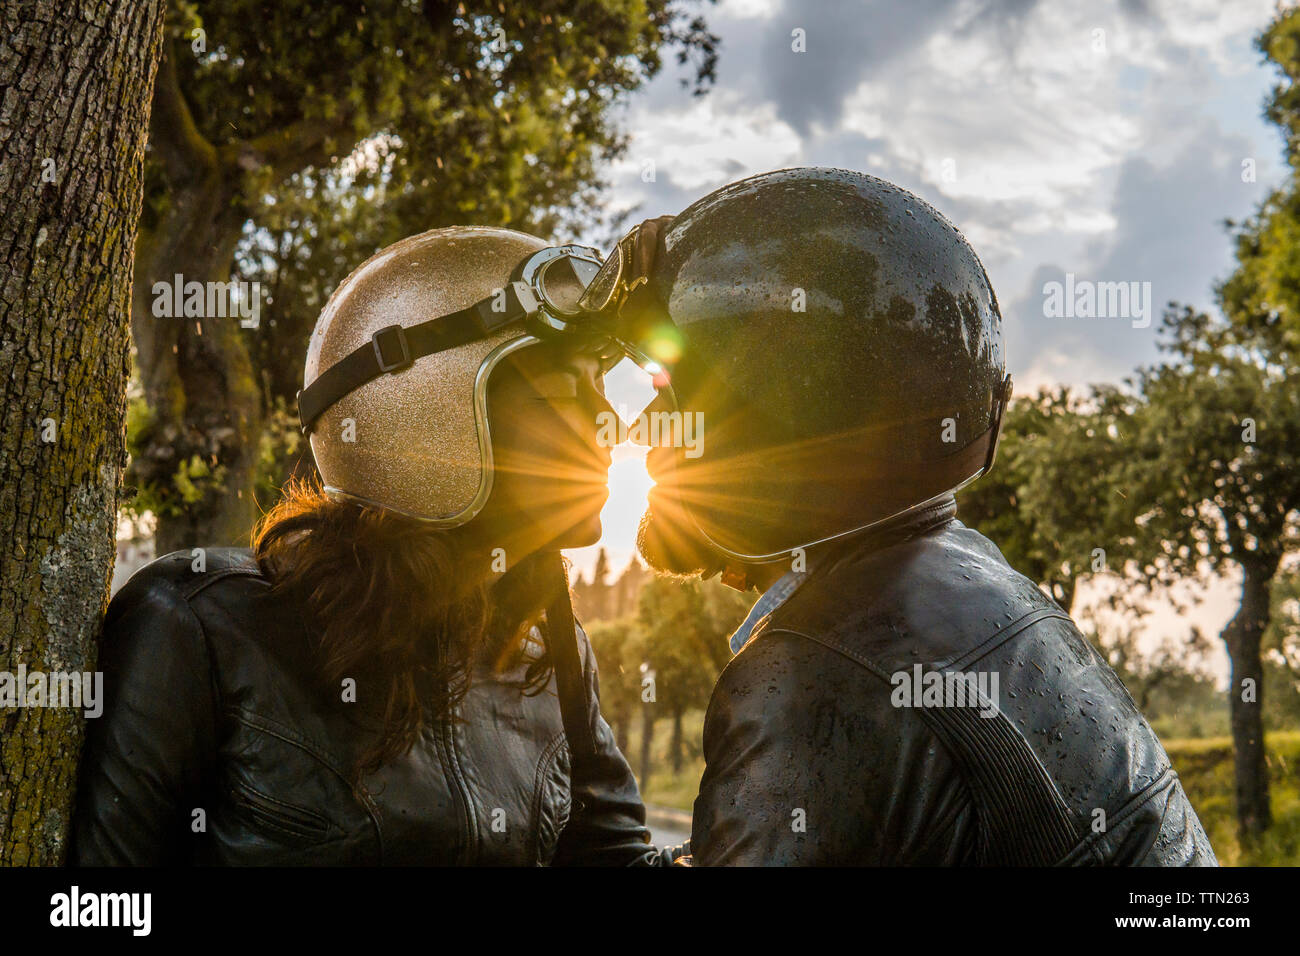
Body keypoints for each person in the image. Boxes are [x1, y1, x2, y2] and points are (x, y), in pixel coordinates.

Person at [591, 167, 1217, 865]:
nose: (643, 430)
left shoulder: (818, 677)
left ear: (775, 425)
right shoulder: (979, 579)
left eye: (669, 392)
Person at [71, 226, 659, 865]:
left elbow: (613, 857)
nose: (611, 426)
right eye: (567, 391)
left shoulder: (553, 650)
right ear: (430, 404)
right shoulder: (200, 624)